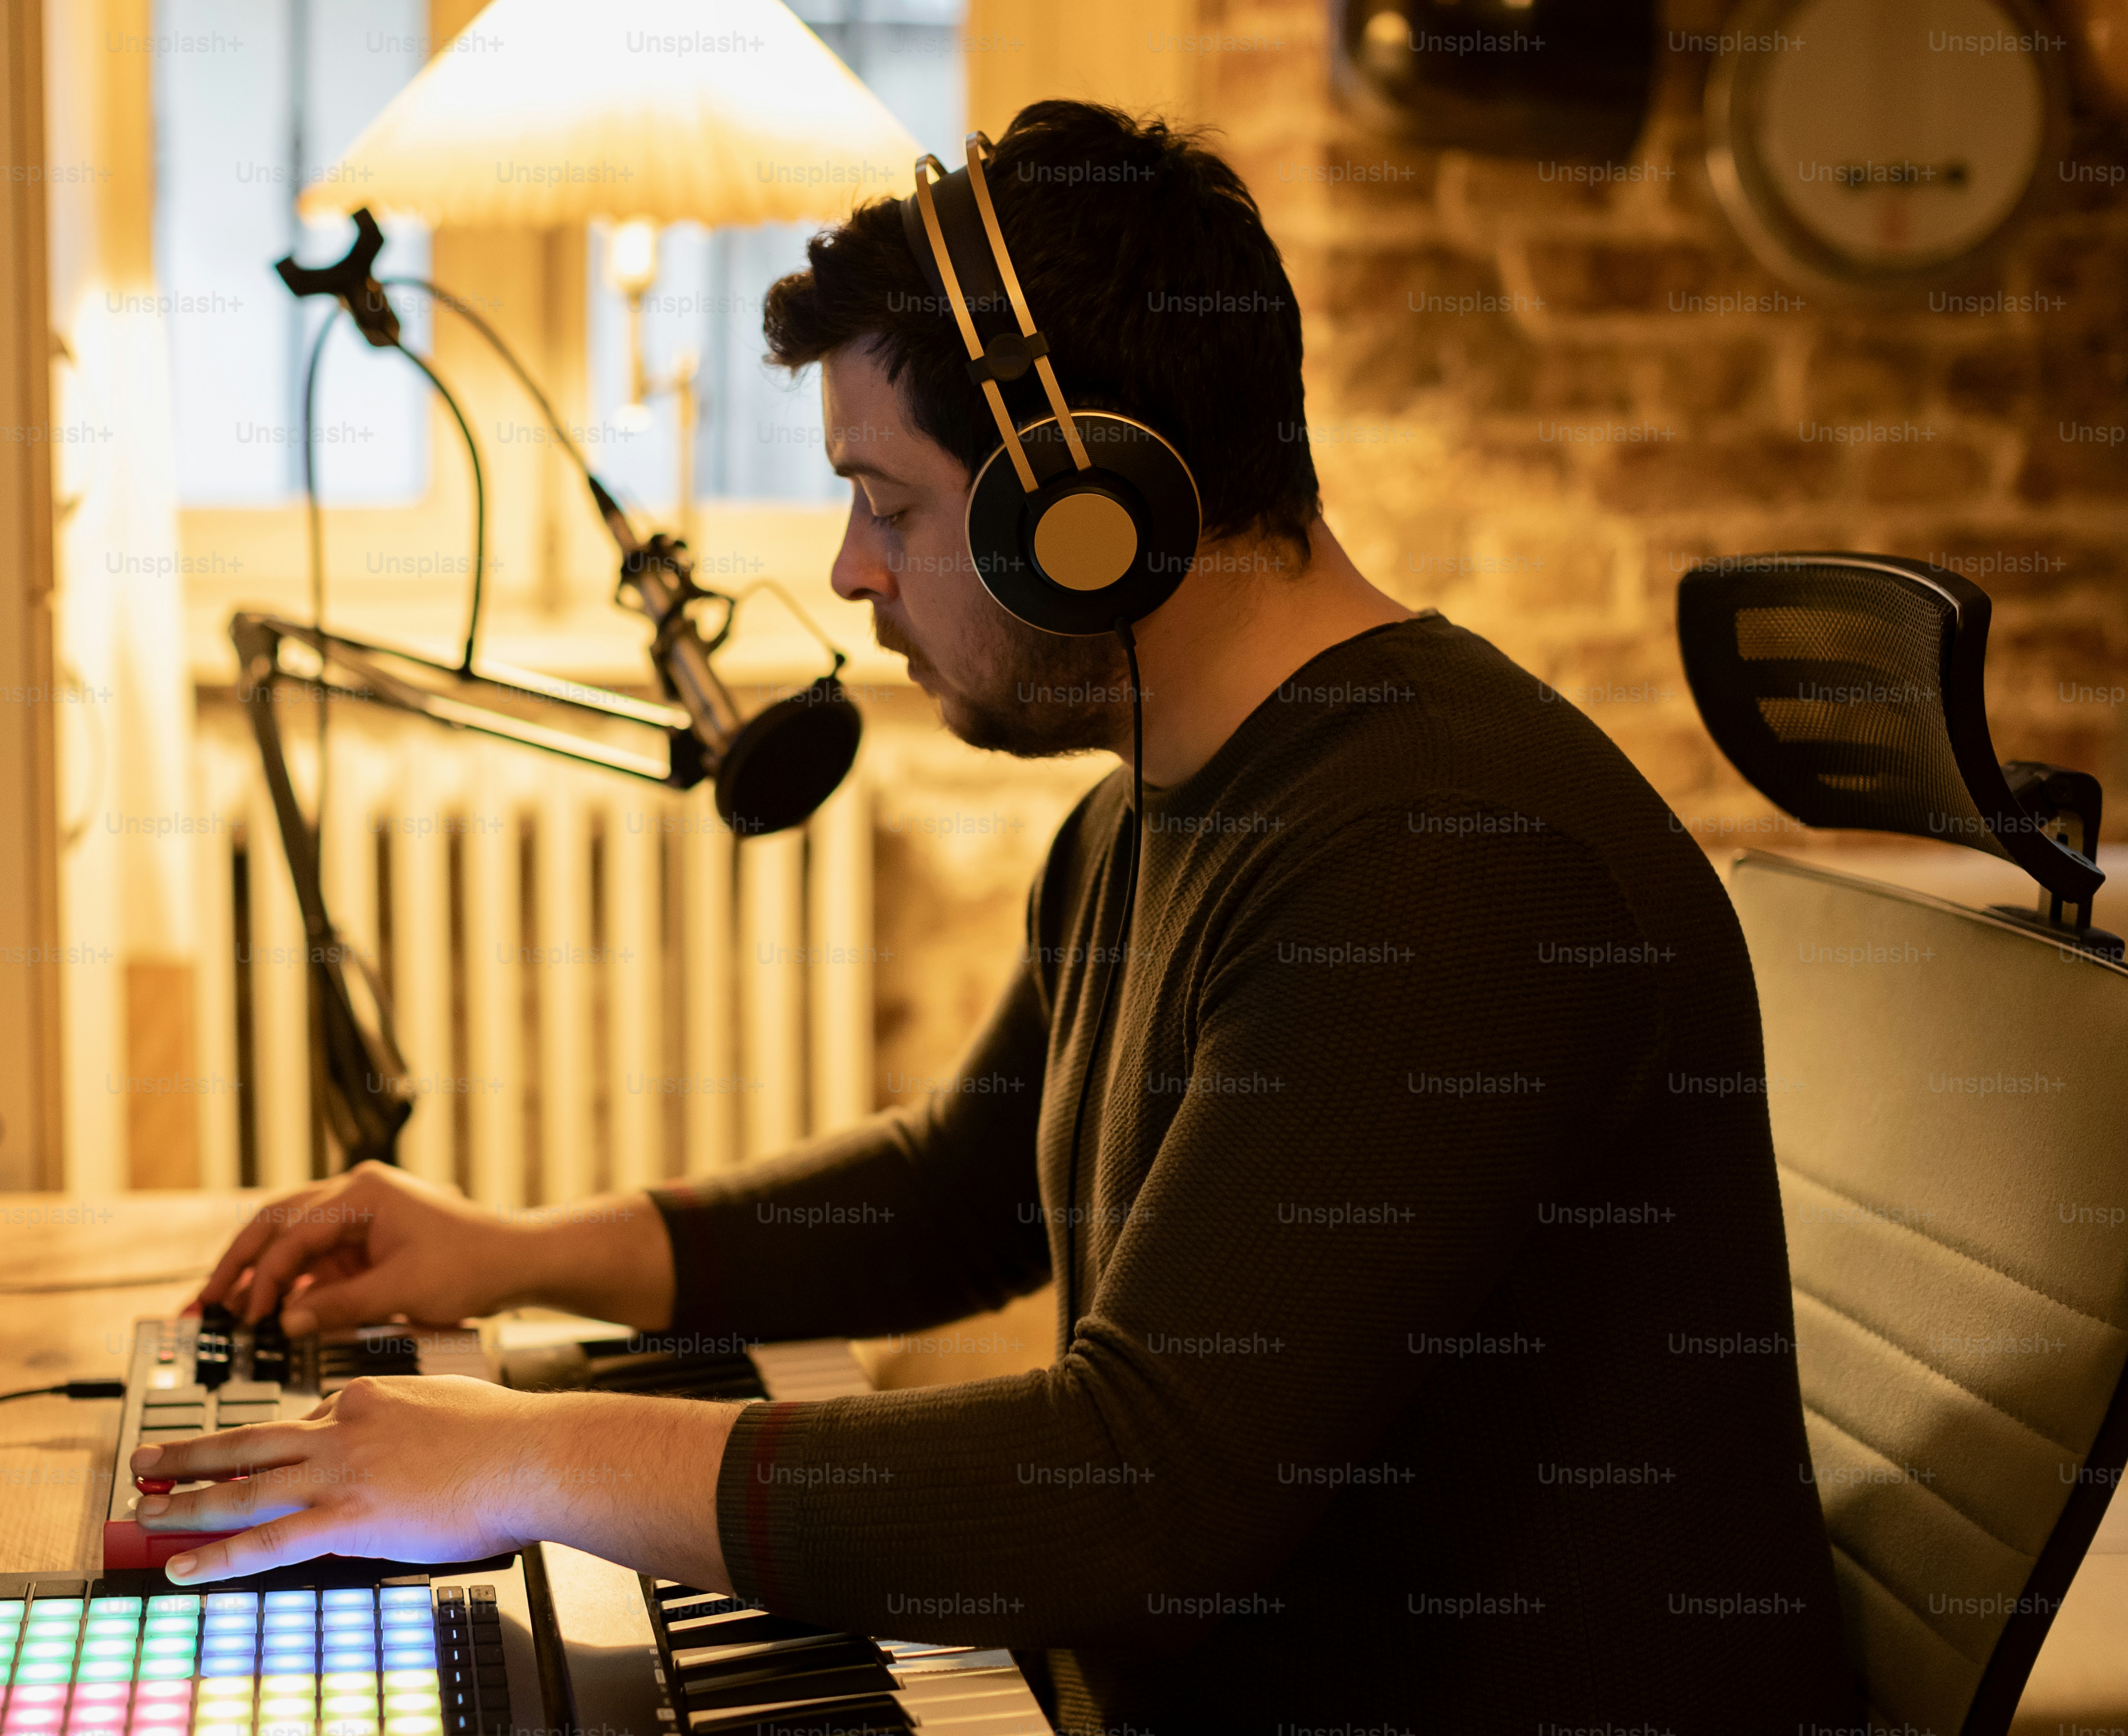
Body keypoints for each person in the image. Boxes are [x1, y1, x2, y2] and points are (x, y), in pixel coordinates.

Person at [138, 101, 1859, 1732]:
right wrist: (512, 1252)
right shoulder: (1151, 806)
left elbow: (1133, 1490)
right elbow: (952, 1195)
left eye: (888, 504)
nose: (848, 572)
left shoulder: (1450, 856)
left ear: (1082, 514)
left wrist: (525, 1455)